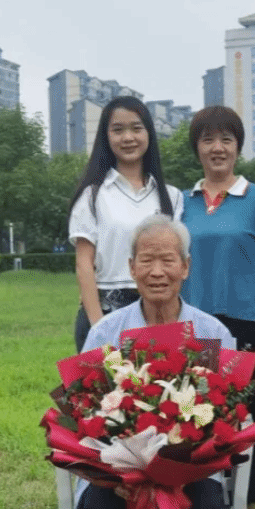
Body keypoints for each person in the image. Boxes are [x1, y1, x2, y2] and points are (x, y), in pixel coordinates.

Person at [76, 215, 238, 509]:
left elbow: (226, 412)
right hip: (122, 471)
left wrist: (189, 464)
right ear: (131, 268)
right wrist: (113, 473)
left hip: (192, 470)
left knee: (208, 507)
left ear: (186, 267)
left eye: (168, 260)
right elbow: (86, 410)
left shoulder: (211, 333)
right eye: (147, 260)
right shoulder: (107, 332)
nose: (157, 271)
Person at [180, 105, 255, 509]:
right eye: (208, 139)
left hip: (246, 329)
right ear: (197, 148)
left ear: (238, 147)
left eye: (226, 139)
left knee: (245, 422)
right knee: (194, 417)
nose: (217, 148)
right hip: (196, 332)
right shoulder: (181, 203)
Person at [68, 96, 183, 351]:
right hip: (104, 316)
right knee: (107, 379)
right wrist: (99, 329)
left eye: (136, 128)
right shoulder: (92, 195)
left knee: (156, 379)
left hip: (158, 319)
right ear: (106, 137)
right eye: (118, 130)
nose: (128, 137)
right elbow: (84, 264)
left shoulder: (172, 197)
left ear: (149, 133)